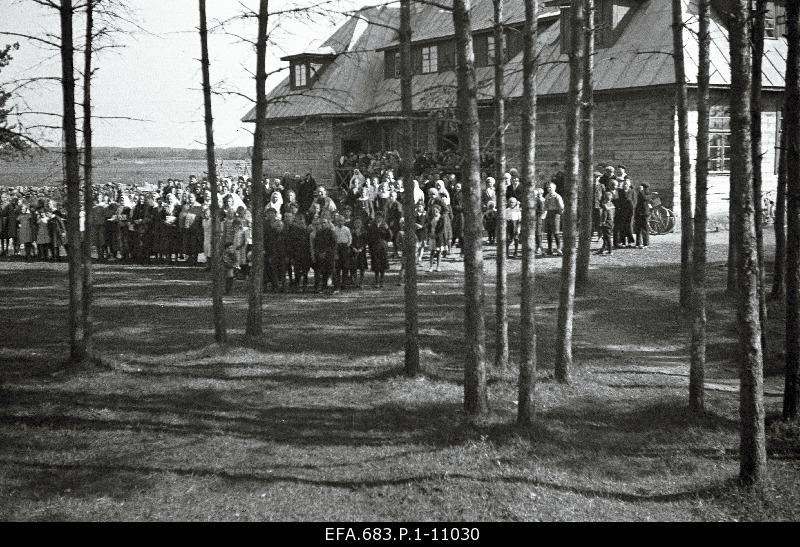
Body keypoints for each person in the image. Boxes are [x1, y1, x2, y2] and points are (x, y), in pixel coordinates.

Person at [367, 211, 391, 287]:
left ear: (382, 218)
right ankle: (376, 281)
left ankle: (382, 280)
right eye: (377, 217)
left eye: (380, 217)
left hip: (383, 246)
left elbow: (389, 236)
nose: (378, 218)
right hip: (374, 246)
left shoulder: (385, 225)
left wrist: (388, 229)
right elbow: (369, 237)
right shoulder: (372, 226)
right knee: (376, 264)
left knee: (383, 264)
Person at [543, 182, 564, 256]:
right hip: (549, 213)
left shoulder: (557, 196)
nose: (548, 189)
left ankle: (558, 249)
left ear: (554, 188)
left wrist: (559, 212)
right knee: (549, 232)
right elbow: (545, 206)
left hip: (556, 214)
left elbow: (561, 207)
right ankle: (550, 249)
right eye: (547, 187)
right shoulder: (547, 196)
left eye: (550, 187)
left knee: (556, 232)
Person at [333, 214, 352, 291]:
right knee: (337, 267)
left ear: (344, 221)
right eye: (338, 221)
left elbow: (350, 237)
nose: (340, 222)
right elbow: (334, 239)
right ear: (336, 222)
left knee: (345, 266)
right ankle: (337, 283)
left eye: (341, 221)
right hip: (337, 247)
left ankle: (344, 283)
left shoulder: (346, 229)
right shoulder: (335, 229)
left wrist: (347, 245)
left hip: (345, 247)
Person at [349, 217, 369, 289]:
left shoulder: (364, 232)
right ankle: (355, 282)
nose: (357, 224)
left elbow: (366, 241)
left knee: (362, 267)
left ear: (361, 224)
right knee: (354, 267)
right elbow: (349, 241)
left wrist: (361, 248)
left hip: (361, 251)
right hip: (353, 251)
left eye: (359, 223)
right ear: (354, 224)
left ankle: (361, 282)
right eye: (356, 223)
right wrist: (353, 247)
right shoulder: (351, 232)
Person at [426, 205, 446, 273]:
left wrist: (436, 235)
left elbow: (442, 229)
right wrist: (429, 234)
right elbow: (429, 226)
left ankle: (438, 266)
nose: (435, 212)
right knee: (432, 252)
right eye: (433, 211)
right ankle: (431, 266)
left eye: (436, 211)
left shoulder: (442, 218)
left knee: (438, 252)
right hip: (431, 236)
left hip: (438, 237)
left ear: (439, 210)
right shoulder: (431, 218)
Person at [596, 191, 615, 256]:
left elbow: (605, 215)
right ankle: (603, 249)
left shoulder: (605, 205)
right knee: (606, 237)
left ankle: (610, 251)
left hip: (606, 222)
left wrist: (602, 222)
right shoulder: (612, 204)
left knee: (607, 237)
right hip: (611, 222)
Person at [633, 182, 651, 249]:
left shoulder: (646, 193)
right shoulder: (639, 193)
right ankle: (638, 243)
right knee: (638, 229)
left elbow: (644, 198)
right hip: (638, 213)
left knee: (644, 229)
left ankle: (646, 243)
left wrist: (640, 191)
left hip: (644, 213)